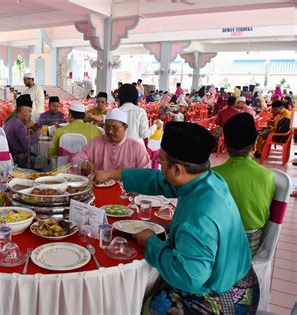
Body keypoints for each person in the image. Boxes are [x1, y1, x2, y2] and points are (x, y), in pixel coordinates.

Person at [93, 122, 259, 314]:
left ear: (178, 170)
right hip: (232, 274)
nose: (159, 164)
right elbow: (158, 181)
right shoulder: (206, 180)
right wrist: (115, 173)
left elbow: (189, 277)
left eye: (161, 161)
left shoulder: (200, 216)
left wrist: (150, 243)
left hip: (226, 296)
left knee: (148, 304)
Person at [213, 113, 274, 255]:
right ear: (254, 144)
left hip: (219, 239)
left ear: (225, 145)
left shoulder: (213, 175)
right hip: (251, 243)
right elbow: (264, 214)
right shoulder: (267, 175)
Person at [72, 108, 149, 170]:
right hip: (99, 188)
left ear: (125, 127)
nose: (110, 131)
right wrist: (84, 163)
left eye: (115, 128)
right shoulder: (96, 143)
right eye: (107, 127)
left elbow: (146, 173)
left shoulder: (136, 147)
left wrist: (128, 174)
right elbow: (76, 158)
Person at [4, 94, 39, 168]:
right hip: (20, 159)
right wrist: (36, 135)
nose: (30, 114)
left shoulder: (10, 121)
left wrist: (28, 132)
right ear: (22, 110)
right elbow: (26, 144)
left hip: (11, 157)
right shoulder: (20, 125)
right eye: (29, 111)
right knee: (45, 161)